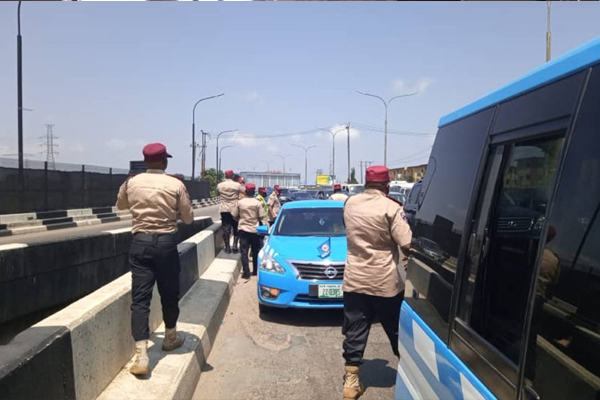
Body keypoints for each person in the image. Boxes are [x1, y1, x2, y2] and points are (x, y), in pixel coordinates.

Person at [116, 142, 194, 376]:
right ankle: (170, 337)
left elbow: (121, 205)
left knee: (140, 299)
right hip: (166, 243)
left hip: (140, 243)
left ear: (145, 160)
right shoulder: (175, 184)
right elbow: (188, 218)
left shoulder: (131, 182)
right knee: (169, 293)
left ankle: (141, 354)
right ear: (164, 161)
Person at [341, 165, 412, 399]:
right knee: (395, 328)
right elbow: (407, 243)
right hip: (384, 282)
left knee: (355, 328)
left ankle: (351, 383)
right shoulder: (392, 208)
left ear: (365, 183)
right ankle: (409, 374)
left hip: (355, 279)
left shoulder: (350, 204)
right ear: (387, 185)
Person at [232, 183, 266, 279]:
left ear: (246, 191)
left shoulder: (240, 202)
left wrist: (240, 219)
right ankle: (255, 271)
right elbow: (261, 216)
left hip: (243, 229)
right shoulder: (258, 203)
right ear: (254, 191)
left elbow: (234, 215)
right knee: (255, 251)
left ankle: (246, 273)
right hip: (254, 230)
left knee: (244, 252)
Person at [217, 170, 243, 253]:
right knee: (236, 227)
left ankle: (227, 247)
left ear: (225, 176)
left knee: (226, 229)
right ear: (232, 176)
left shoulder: (220, 185)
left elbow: (218, 194)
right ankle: (235, 245)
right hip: (234, 208)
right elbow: (244, 192)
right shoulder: (237, 185)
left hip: (224, 209)